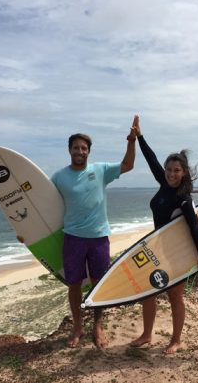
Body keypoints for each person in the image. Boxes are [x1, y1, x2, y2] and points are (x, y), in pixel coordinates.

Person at [129, 115, 198, 354]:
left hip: (176, 252)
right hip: (157, 246)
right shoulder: (164, 183)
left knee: (174, 295)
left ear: (184, 173)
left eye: (176, 171)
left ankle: (176, 339)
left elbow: (194, 226)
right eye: (169, 170)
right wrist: (140, 137)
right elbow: (151, 158)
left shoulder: (184, 198)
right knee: (149, 292)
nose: (171, 174)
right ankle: (146, 334)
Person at [51, 118, 136, 349]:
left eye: (84, 148)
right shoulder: (58, 177)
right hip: (73, 238)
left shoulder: (100, 170)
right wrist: (27, 233)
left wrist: (132, 140)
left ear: (89, 151)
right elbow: (44, 206)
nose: (80, 151)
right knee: (75, 285)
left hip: (98, 237)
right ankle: (78, 327)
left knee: (99, 283)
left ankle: (97, 326)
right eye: (76, 147)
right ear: (69, 150)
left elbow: (128, 164)